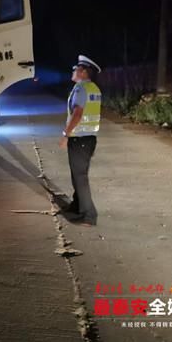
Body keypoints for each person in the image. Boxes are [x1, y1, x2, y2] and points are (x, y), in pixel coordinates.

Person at [59, 55, 102, 227]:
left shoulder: (80, 89)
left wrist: (65, 134)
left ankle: (89, 215)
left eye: (75, 69)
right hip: (89, 138)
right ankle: (77, 206)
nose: (73, 71)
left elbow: (77, 114)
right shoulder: (94, 88)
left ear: (83, 72)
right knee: (79, 174)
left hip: (79, 139)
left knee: (80, 176)